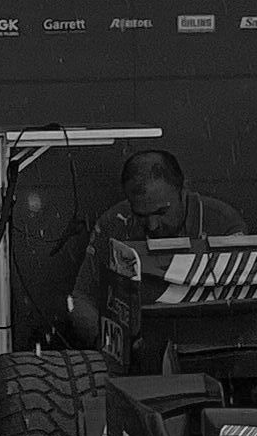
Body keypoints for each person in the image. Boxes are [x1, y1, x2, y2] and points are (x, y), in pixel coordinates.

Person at [62, 141, 246, 342]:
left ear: (183, 190)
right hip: (134, 350)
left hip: (207, 346)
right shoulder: (114, 223)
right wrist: (108, 342)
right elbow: (80, 298)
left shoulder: (223, 223)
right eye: (140, 214)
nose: (152, 225)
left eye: (161, 212)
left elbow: (242, 306)